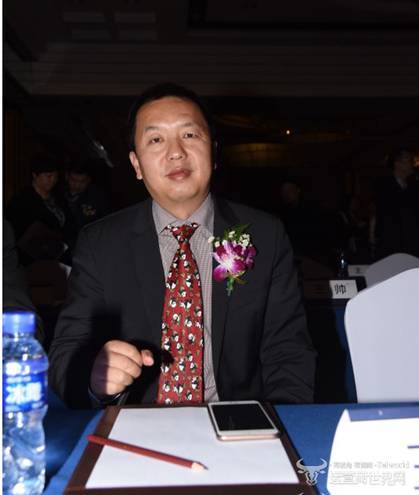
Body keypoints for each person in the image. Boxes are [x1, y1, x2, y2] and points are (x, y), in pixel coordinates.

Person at [48, 83, 316, 409]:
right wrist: (93, 377)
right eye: (156, 140)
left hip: (236, 423)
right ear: (136, 165)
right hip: (138, 424)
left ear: (213, 152)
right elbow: (66, 354)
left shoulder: (265, 234)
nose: (176, 152)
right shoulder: (100, 243)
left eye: (189, 135)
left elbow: (288, 351)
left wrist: (277, 425)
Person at [6, 153, 70, 265]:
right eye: (48, 176)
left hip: (60, 258)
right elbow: (21, 234)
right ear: (35, 175)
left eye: (56, 176)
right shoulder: (21, 201)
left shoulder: (59, 198)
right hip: (35, 261)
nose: (53, 180)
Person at [374, 148, 419, 259]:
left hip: (412, 244)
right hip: (391, 244)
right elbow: (385, 214)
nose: (412, 164)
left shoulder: (413, 186)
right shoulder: (384, 185)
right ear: (397, 163)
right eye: (409, 160)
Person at [61, 159, 110, 241]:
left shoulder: (97, 196)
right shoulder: (58, 192)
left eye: (82, 181)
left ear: (89, 180)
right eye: (73, 180)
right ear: (67, 176)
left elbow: (107, 221)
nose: (77, 185)